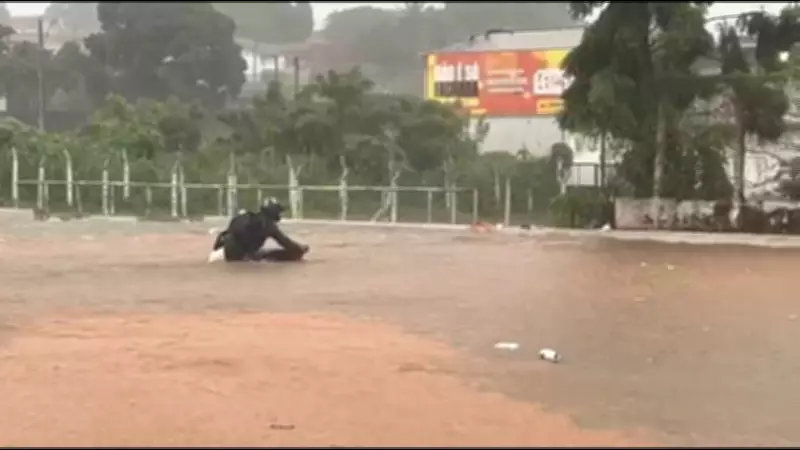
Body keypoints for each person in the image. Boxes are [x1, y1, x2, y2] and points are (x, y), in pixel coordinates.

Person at [212, 198, 309, 262]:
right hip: (239, 259)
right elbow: (285, 243)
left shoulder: (246, 216)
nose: (280, 214)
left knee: (262, 254)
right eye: (278, 211)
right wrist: (300, 249)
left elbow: (224, 234)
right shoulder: (269, 226)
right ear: (273, 212)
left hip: (218, 255)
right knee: (275, 256)